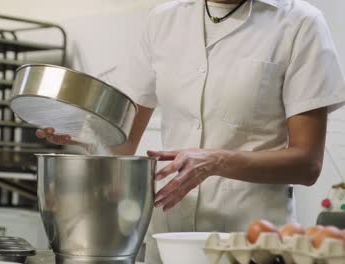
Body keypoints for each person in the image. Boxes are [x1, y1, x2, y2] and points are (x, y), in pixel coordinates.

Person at [37, 0, 345, 263]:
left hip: (250, 245)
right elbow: (123, 142)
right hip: (171, 241)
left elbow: (307, 164)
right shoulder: (164, 21)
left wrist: (215, 162)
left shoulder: (300, 23)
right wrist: (86, 134)